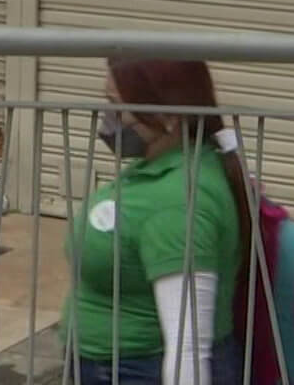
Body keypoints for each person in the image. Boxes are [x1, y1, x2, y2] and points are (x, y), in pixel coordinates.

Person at [68, 58, 256, 385]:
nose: (110, 118)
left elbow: (189, 346)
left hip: (137, 371)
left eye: (118, 105)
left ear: (169, 116)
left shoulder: (178, 204)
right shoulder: (175, 164)